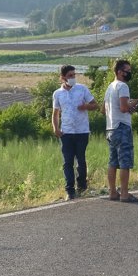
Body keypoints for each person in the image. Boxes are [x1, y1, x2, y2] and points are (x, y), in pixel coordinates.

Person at [52, 65, 98, 200]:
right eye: (70, 76)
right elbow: (55, 113)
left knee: (81, 160)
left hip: (82, 131)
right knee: (67, 162)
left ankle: (82, 186)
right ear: (63, 77)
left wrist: (86, 106)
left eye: (74, 75)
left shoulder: (82, 89)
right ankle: (70, 190)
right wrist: (56, 128)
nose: (73, 78)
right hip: (66, 132)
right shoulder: (57, 93)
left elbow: (95, 105)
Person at [103, 58, 138, 202]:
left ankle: (113, 192)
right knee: (125, 162)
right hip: (122, 127)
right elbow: (124, 107)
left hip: (110, 127)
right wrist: (133, 104)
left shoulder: (109, 87)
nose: (129, 73)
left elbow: (103, 109)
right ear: (120, 72)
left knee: (112, 162)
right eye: (128, 71)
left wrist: (126, 107)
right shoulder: (123, 86)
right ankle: (124, 193)